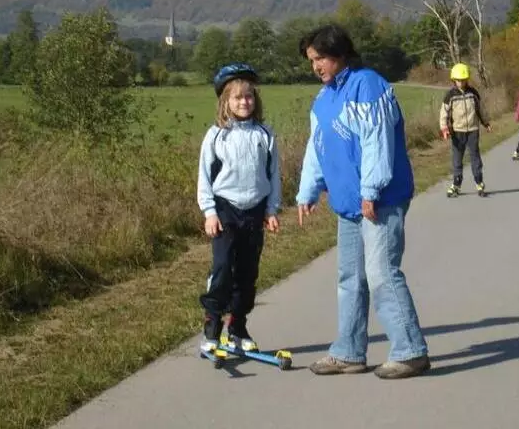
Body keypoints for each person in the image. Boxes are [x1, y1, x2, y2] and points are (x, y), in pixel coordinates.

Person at [296, 23, 430, 380]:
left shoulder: (367, 85)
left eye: (320, 58)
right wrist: (308, 190)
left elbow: (377, 141)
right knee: (350, 278)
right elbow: (317, 146)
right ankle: (349, 352)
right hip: (348, 203)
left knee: (382, 272)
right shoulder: (325, 98)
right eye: (311, 61)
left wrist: (371, 190)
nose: (316, 66)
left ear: (340, 54)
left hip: (380, 200)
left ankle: (410, 351)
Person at [196, 63, 281, 354]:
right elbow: (204, 177)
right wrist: (209, 212)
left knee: (247, 273)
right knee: (222, 268)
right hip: (224, 210)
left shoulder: (265, 134)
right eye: (237, 97)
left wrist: (271, 209)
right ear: (225, 102)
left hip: (255, 210)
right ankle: (212, 326)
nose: (244, 102)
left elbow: (274, 175)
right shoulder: (216, 135)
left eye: (249, 96)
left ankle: (237, 326)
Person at [438, 63, 492, 198]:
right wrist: (444, 128)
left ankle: (479, 182)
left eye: (463, 80)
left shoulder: (473, 93)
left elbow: (480, 109)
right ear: (453, 80)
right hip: (457, 131)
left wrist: (486, 123)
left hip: (473, 130)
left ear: (467, 79)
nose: (461, 83)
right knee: (457, 159)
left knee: (475, 157)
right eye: (458, 80)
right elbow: (444, 113)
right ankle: (456, 184)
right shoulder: (450, 95)